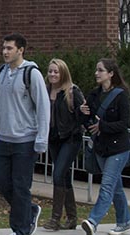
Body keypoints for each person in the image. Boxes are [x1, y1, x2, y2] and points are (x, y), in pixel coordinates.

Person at [0, 33, 50, 235]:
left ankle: (20, 229)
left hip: (25, 140)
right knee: (2, 182)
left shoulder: (31, 73)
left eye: (9, 48)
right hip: (4, 139)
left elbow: (43, 108)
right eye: (3, 48)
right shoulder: (1, 73)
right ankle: (29, 210)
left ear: (21, 50)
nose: (5, 52)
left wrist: (41, 140)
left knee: (20, 186)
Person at [79, 59, 130, 235]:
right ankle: (124, 221)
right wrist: (82, 113)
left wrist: (103, 126)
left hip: (119, 149)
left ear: (110, 74)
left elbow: (123, 124)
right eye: (96, 70)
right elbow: (87, 122)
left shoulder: (121, 95)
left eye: (100, 70)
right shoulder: (94, 95)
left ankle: (93, 221)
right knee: (116, 188)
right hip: (101, 148)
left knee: (107, 185)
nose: (96, 73)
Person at [42, 58, 85, 231]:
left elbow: (84, 113)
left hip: (70, 138)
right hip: (53, 139)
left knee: (58, 174)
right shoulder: (45, 90)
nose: (52, 74)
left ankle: (55, 218)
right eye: (50, 71)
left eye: (56, 71)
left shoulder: (72, 91)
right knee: (64, 177)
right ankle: (72, 218)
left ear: (63, 73)